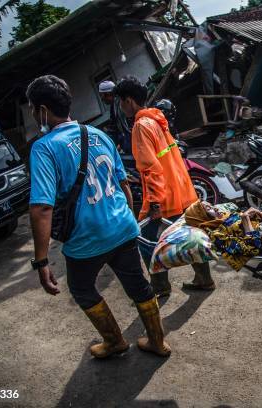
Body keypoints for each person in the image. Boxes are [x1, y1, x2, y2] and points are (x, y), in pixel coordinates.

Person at [27, 75, 170, 359]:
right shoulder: (98, 134)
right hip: (122, 227)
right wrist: (126, 220)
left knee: (81, 288)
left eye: (32, 108)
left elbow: (42, 208)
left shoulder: (43, 148)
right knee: (138, 286)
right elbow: (124, 184)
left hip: (86, 239)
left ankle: (115, 341)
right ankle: (157, 342)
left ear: (42, 110)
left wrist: (41, 260)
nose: (33, 114)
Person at [113, 75, 213, 296]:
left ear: (129, 101)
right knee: (188, 234)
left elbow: (150, 168)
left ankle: (159, 286)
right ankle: (204, 278)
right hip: (181, 189)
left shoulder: (140, 126)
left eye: (121, 101)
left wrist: (155, 203)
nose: (121, 107)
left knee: (146, 239)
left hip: (163, 196)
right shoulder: (158, 119)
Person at [99, 80, 132, 153]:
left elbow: (129, 126)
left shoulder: (122, 103)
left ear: (107, 93)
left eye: (101, 95)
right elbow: (113, 126)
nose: (101, 99)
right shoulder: (113, 106)